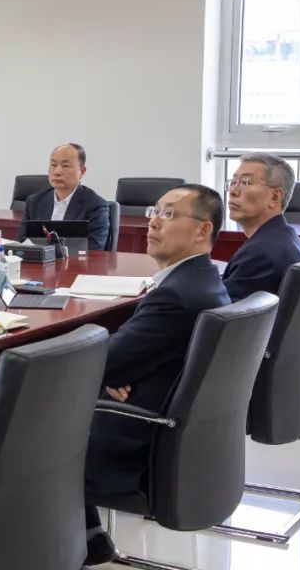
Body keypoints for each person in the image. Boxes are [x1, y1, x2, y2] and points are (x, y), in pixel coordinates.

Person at [83, 184, 231, 565]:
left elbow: (105, 362)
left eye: (168, 214)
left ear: (203, 230)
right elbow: (116, 361)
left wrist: (107, 372)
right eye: (154, 212)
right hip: (170, 431)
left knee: (14, 418)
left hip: (133, 442)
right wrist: (110, 372)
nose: (153, 222)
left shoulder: (175, 296)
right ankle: (89, 535)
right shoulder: (204, 279)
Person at [223, 153, 300, 301]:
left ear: (275, 197)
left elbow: (219, 311)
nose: (233, 191)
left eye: (245, 182)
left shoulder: (260, 254)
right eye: (233, 182)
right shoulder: (287, 238)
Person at [16, 142, 111, 250]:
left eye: (65, 166)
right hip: (37, 260)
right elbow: (21, 244)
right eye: (53, 165)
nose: (57, 172)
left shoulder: (95, 206)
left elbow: (94, 250)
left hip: (75, 261)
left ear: (82, 172)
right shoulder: (34, 202)